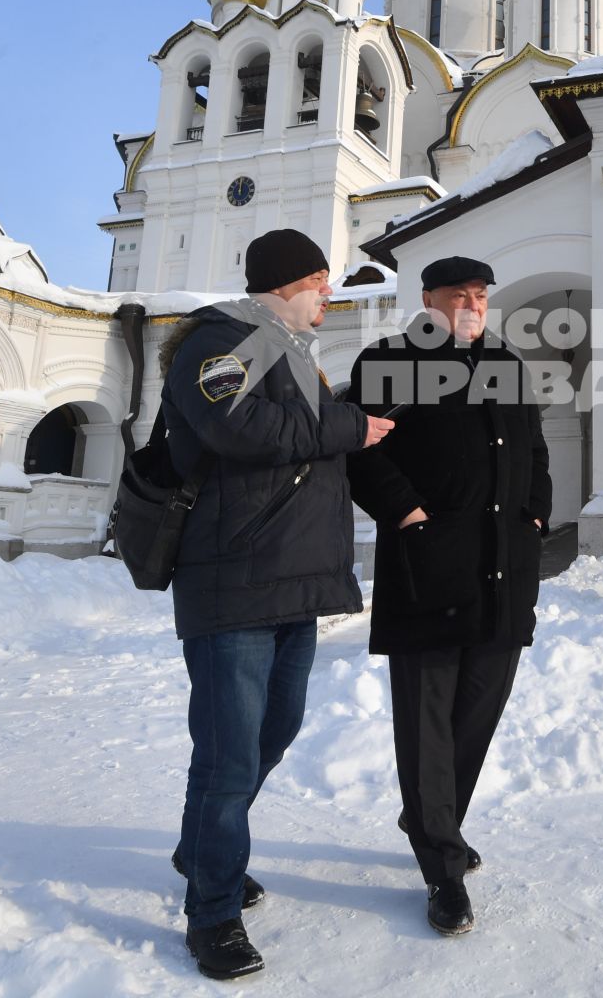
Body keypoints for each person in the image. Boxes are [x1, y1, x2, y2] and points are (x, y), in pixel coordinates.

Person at [157, 228, 393, 980]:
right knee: (229, 757)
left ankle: (201, 850)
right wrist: (349, 425)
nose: (328, 293)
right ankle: (213, 914)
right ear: (285, 284)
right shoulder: (226, 342)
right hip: (233, 581)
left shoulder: (289, 353)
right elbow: (241, 427)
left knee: (276, 728)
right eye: (319, 281)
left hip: (291, 579)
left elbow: (292, 438)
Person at [345, 255, 550, 937]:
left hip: (504, 571)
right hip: (429, 568)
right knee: (428, 719)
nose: (473, 301)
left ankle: (433, 818)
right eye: (459, 292)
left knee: (477, 712)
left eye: (482, 292)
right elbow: (358, 450)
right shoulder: (390, 360)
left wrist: (536, 516)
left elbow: (535, 449)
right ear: (428, 297)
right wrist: (406, 513)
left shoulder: (507, 363)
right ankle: (441, 865)